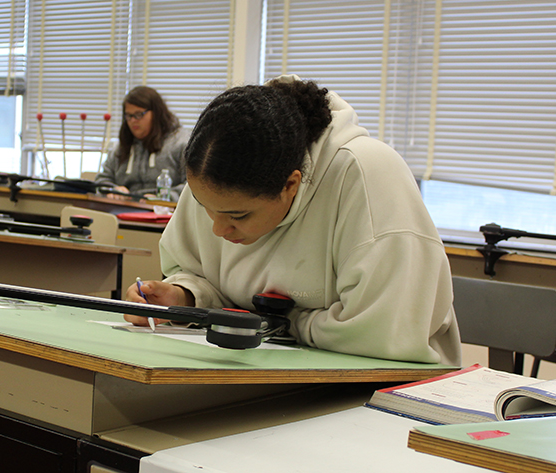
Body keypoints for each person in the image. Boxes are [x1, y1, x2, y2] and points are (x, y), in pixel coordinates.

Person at [126, 75, 461, 365]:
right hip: (264, 370)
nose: (218, 229)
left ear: (291, 185)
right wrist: (182, 296)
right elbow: (198, 271)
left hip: (384, 391)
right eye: (204, 207)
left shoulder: (365, 174)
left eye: (237, 216)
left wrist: (280, 323)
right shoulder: (215, 171)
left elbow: (386, 331)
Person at [95, 86, 190, 200]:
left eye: (139, 114)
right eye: (129, 116)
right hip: (123, 209)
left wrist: (162, 197)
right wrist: (113, 190)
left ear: (156, 113)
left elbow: (192, 187)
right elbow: (102, 181)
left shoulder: (181, 142)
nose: (133, 120)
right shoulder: (121, 146)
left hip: (164, 211)